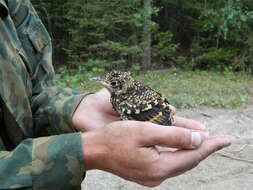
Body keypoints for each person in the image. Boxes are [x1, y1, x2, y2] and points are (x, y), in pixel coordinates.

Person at [0, 0, 230, 189]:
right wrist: (90, 151)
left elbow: (34, 92)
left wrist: (71, 107)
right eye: (107, 82)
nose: (104, 84)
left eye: (112, 83)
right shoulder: (121, 101)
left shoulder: (13, 5)